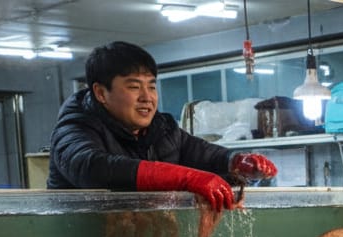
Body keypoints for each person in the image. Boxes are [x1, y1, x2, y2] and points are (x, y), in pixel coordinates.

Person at [48, 41, 276, 210]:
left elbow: (206, 155)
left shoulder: (163, 129)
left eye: (152, 86)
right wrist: (188, 178)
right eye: (134, 87)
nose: (147, 97)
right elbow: (93, 169)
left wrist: (239, 163)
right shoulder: (73, 128)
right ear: (100, 93)